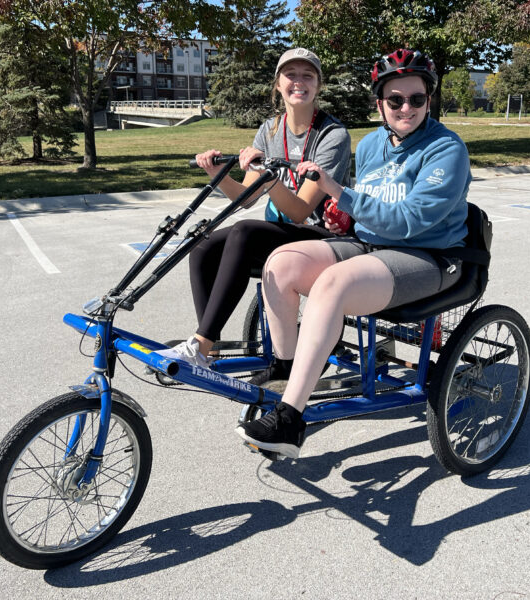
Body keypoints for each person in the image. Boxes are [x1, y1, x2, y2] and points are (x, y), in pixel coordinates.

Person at [236, 49, 472, 459]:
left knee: (333, 283)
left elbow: (410, 221)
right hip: (371, 245)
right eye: (395, 100)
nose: (407, 108)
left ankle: (291, 417)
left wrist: (337, 192)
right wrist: (339, 213)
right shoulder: (372, 144)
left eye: (417, 99)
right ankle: (290, 371)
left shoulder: (446, 149)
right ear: (379, 103)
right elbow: (367, 209)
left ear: (429, 100)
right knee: (282, 263)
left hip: (430, 256)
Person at [162, 48, 352, 369]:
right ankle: (211, 349)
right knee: (204, 245)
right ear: (278, 84)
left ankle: (200, 345)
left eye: (308, 76)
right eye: (290, 75)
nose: (298, 82)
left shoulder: (332, 135)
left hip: (324, 237)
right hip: (284, 234)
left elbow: (300, 211)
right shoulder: (270, 130)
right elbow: (246, 198)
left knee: (245, 232)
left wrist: (267, 178)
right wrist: (217, 174)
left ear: (318, 85)